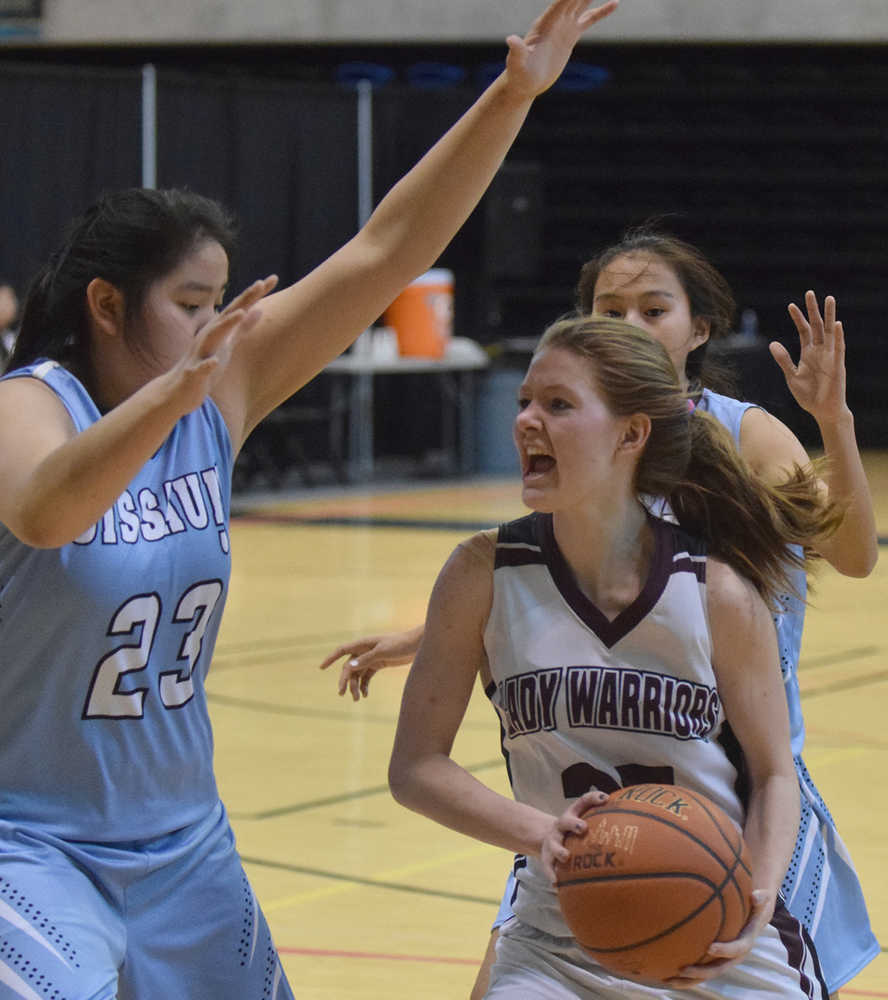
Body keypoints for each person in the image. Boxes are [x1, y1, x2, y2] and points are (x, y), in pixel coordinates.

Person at [0, 4, 621, 998]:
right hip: (29, 841)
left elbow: (386, 252)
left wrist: (513, 97)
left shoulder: (216, 391)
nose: (218, 326)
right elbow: (44, 513)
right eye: (191, 307)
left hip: (181, 841)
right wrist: (176, 391)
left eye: (221, 303)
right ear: (107, 306)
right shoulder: (32, 401)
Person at [319, 229, 879, 998]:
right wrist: (431, 636)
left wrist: (834, 425)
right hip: (583, 808)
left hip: (726, 777)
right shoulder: (543, 496)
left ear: (699, 327)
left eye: (653, 309)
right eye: (610, 308)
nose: (629, 324)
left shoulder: (737, 439)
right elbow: (545, 587)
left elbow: (850, 554)